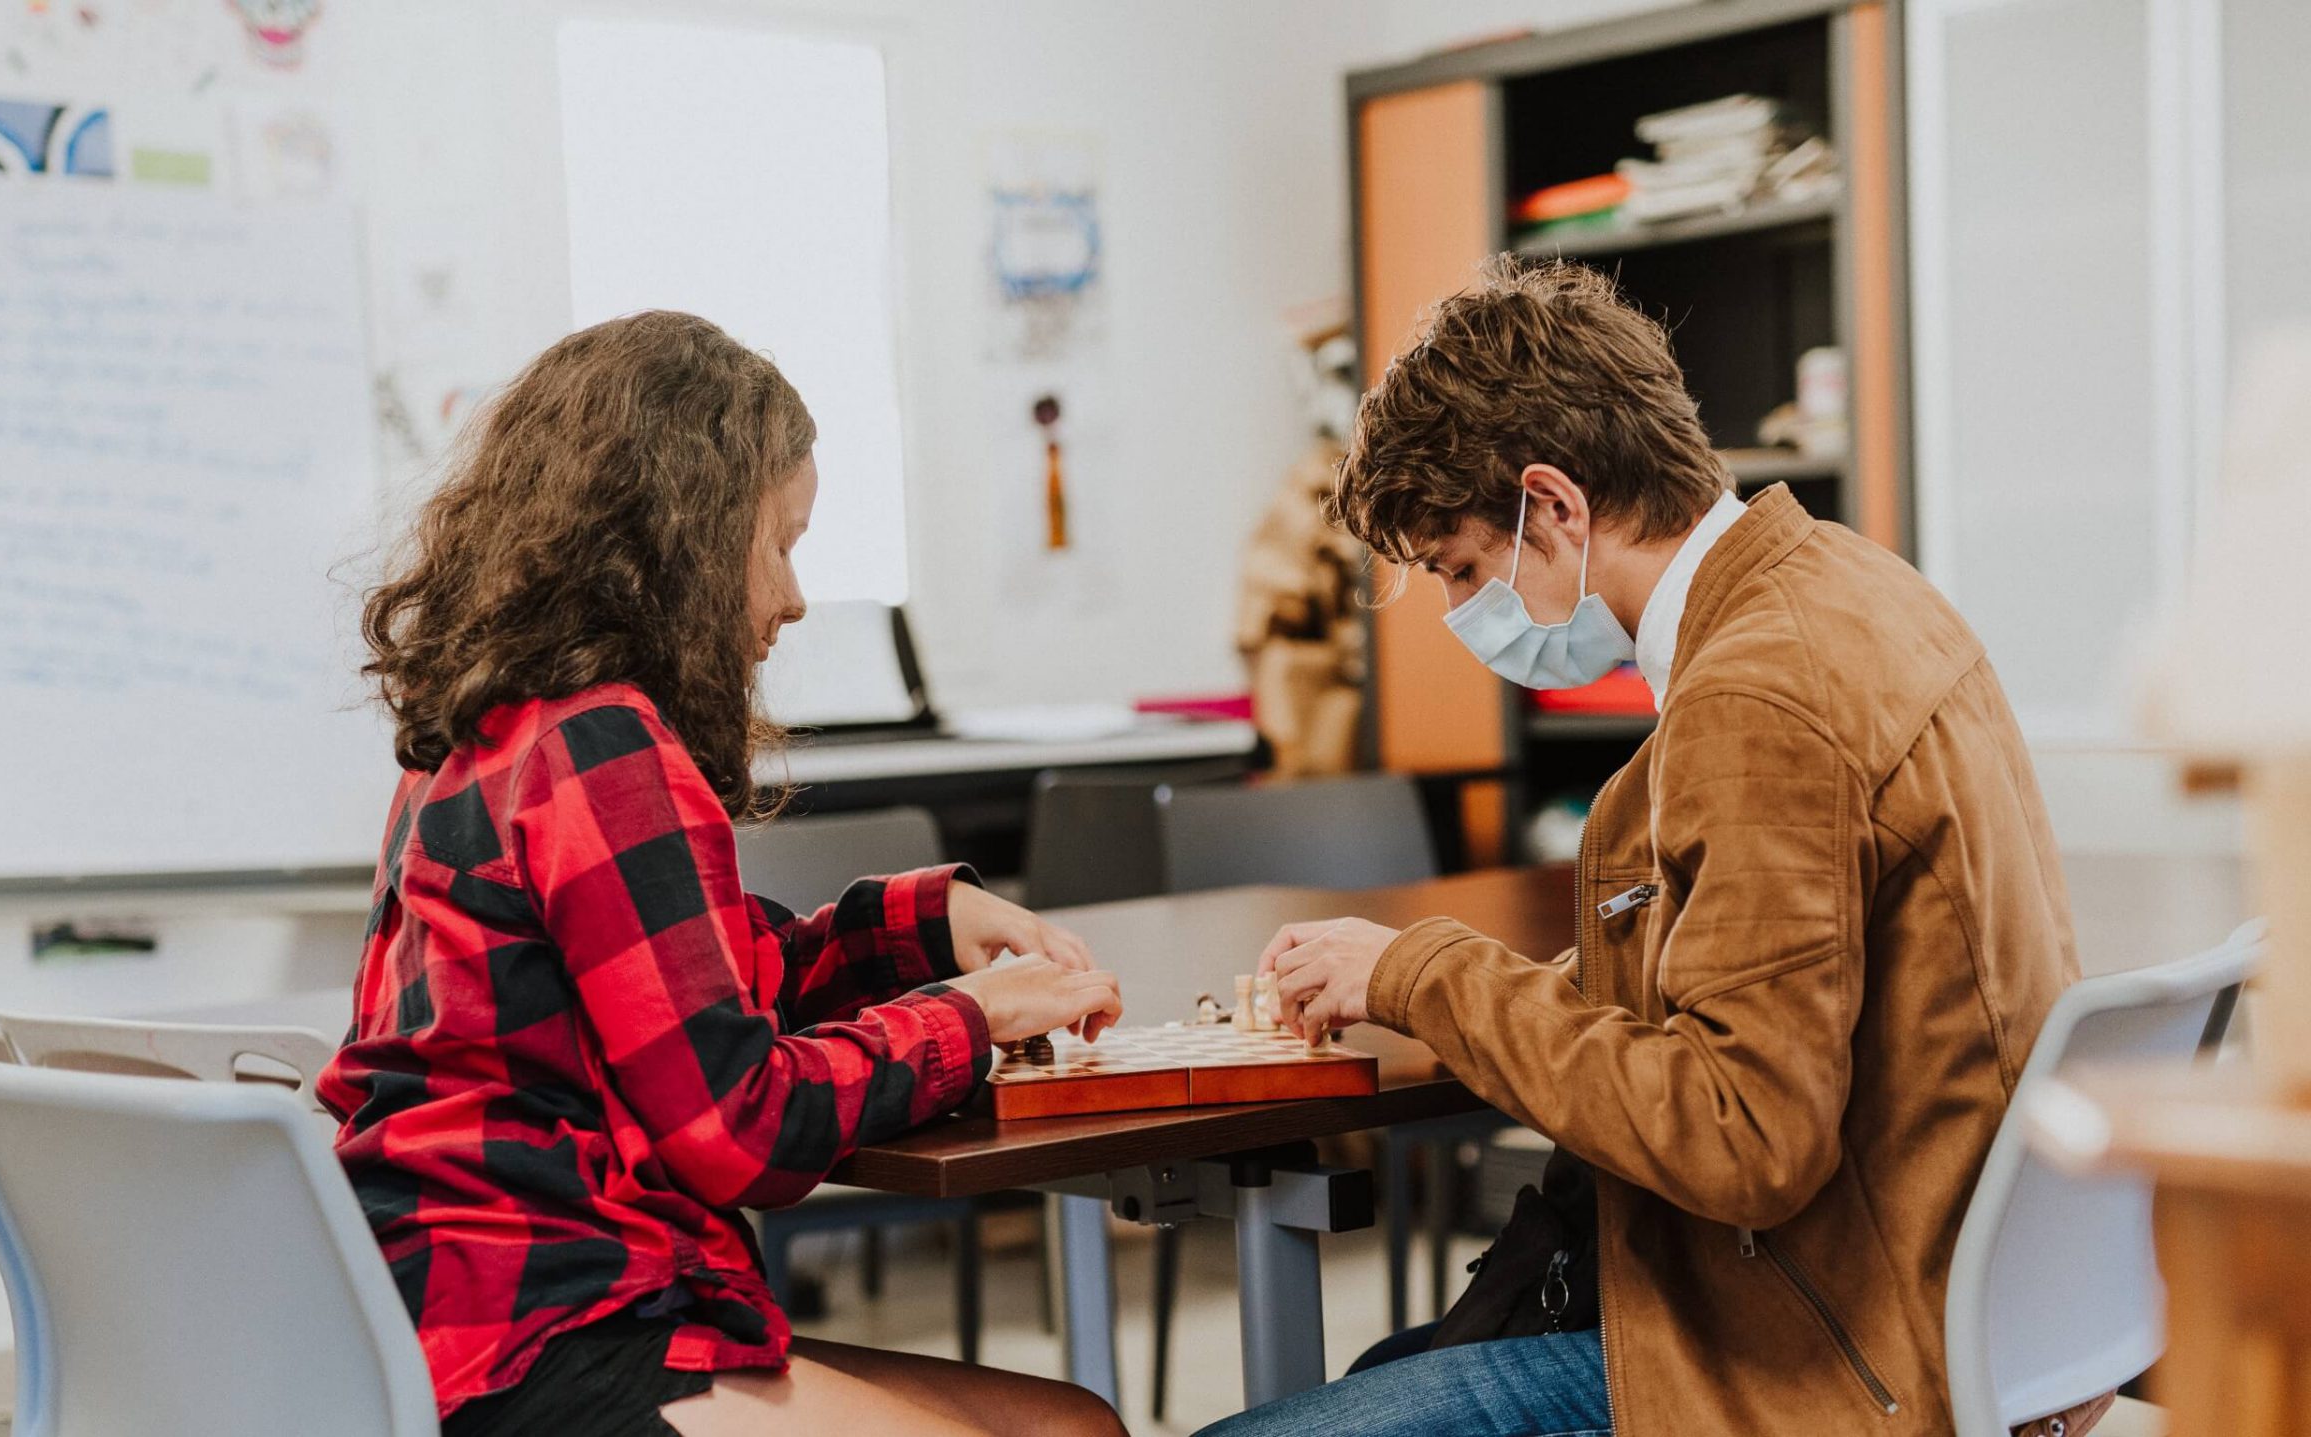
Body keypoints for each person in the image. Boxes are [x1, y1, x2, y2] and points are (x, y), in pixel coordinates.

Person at [1211, 259, 2093, 1437]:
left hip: (1845, 1354)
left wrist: (1422, 974)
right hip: (1950, 1304)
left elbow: (1743, 1139)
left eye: (1467, 571)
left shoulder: (1758, 693)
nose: (1473, 615)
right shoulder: (1850, 585)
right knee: (1389, 1364)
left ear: (1556, 505)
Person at [321, 311, 1128, 1437]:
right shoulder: (601, 747)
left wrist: (923, 922)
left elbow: (689, 990)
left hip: (440, 1316)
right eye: (781, 545)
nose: (793, 600)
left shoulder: (492, 730)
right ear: (683, 542)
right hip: (549, 1335)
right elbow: (734, 1125)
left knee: (1070, 1425)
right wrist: (964, 1021)